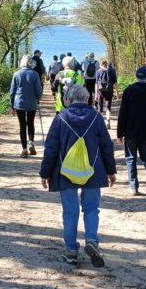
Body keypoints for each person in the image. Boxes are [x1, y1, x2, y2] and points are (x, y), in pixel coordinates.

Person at [40, 84, 117, 266]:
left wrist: (45, 173)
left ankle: (71, 251)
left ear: (68, 99)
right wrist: (110, 170)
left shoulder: (61, 118)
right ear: (88, 98)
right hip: (93, 171)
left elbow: (51, 148)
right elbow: (107, 146)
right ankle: (91, 240)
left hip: (66, 171)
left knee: (70, 211)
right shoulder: (96, 117)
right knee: (91, 209)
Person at [116, 65, 146, 198]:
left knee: (130, 158)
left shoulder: (129, 91)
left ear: (136, 76)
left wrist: (120, 132)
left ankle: (134, 187)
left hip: (130, 132)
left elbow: (123, 113)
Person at [9, 55, 43, 158]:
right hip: (32, 102)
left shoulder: (16, 74)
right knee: (31, 123)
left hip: (19, 103)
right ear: (31, 63)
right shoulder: (35, 74)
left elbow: (12, 91)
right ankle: (31, 144)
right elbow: (39, 91)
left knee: (22, 125)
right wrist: (38, 98)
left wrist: (12, 105)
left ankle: (24, 149)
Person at [94, 59, 118, 129]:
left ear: (100, 64)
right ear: (106, 64)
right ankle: (108, 121)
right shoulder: (112, 70)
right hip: (109, 90)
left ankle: (101, 123)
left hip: (100, 91)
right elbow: (116, 83)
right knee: (108, 106)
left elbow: (96, 84)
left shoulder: (98, 71)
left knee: (100, 107)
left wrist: (96, 95)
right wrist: (117, 93)